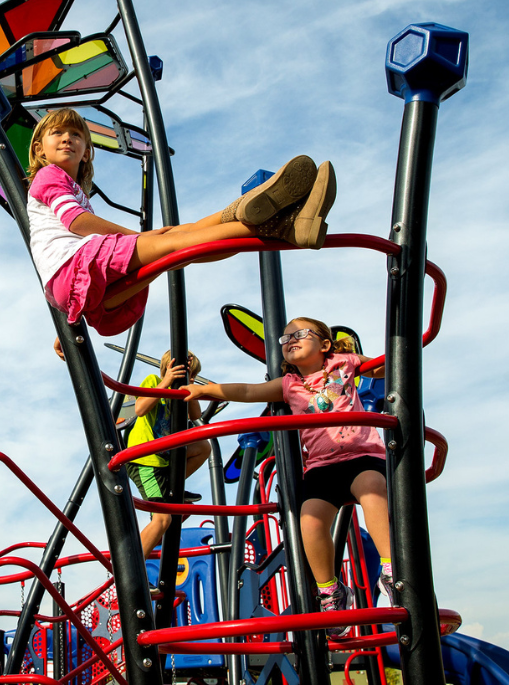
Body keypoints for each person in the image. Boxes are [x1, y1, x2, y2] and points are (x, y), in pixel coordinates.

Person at [26, 108, 335, 336]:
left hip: (83, 292)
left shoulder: (74, 188)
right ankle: (280, 225)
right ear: (39, 148)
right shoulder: (49, 175)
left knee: (178, 245)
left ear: (86, 153)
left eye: (76, 135)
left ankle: (240, 214)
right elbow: (77, 221)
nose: (67, 138)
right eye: (58, 133)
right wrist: (138, 236)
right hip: (75, 269)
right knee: (173, 243)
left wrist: (66, 328)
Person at [183, 317, 392, 637]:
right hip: (322, 466)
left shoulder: (343, 363)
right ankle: (330, 591)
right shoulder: (288, 385)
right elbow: (248, 390)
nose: (290, 340)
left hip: (361, 456)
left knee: (373, 490)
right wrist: (205, 389)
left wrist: (396, 357)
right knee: (309, 522)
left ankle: (392, 569)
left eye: (300, 334)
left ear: (324, 344)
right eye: (285, 338)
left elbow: (379, 368)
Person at [124, 351, 211, 563]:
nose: (189, 377)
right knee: (163, 519)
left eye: (192, 374)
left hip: (163, 461)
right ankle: (131, 569)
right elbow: (140, 409)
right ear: (168, 368)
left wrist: (190, 386)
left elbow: (195, 415)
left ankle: (173, 486)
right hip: (145, 460)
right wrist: (166, 381)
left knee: (203, 447)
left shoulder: (180, 396)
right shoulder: (154, 381)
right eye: (186, 372)